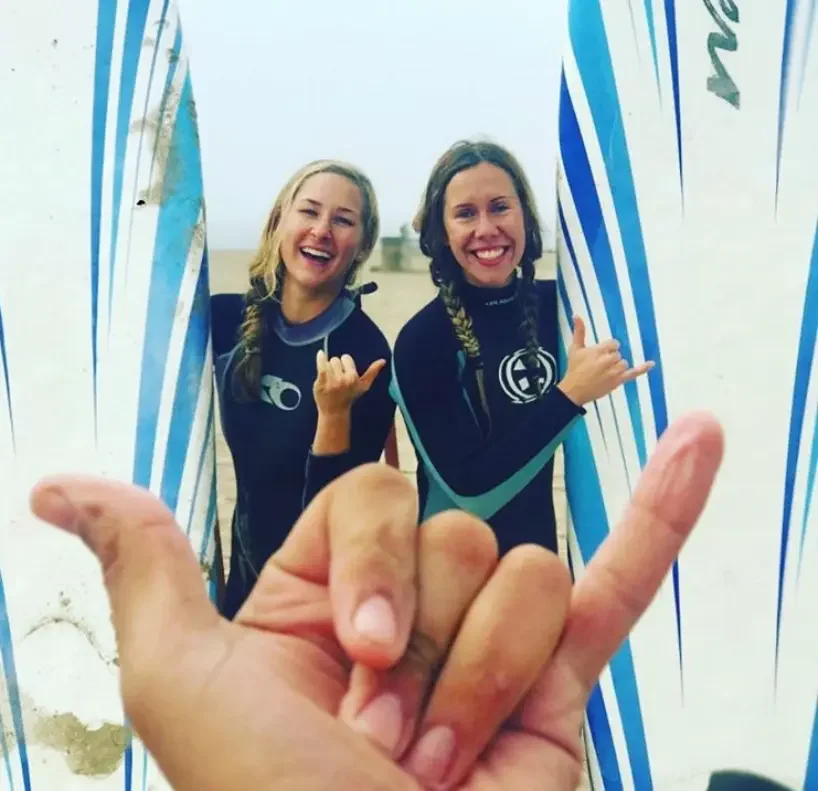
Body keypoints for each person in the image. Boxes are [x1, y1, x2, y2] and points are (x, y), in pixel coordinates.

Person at [29, 411, 783, 790]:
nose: (487, 228)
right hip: (311, 593)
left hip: (534, 629)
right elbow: (463, 482)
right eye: (465, 212)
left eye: (348, 218)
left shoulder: (383, 330)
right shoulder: (414, 339)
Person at [390, 140, 654, 556]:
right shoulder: (423, 340)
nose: (486, 228)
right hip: (453, 583)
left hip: (541, 573)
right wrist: (570, 397)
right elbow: (472, 492)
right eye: (465, 214)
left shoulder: (563, 311)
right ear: (441, 232)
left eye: (500, 207)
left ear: (526, 217)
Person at [210, 159, 395, 618]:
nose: (322, 230)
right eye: (309, 212)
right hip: (241, 583)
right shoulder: (222, 320)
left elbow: (330, 516)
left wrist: (333, 416)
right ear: (279, 222)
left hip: (316, 599)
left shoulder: (362, 350)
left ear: (361, 246)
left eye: (343, 220)